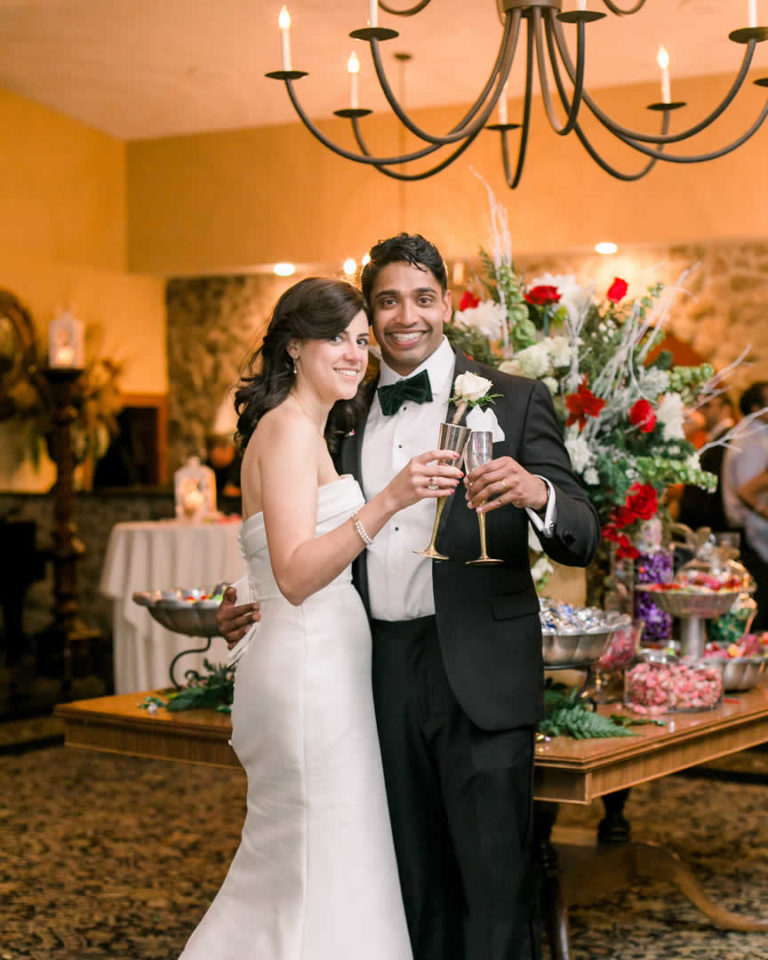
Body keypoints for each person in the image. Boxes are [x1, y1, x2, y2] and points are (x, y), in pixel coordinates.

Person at [218, 234, 601, 960]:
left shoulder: (516, 400)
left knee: (493, 890)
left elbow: (583, 530)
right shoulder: (339, 406)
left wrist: (536, 490)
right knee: (402, 885)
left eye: (422, 298)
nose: (404, 317)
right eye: (386, 301)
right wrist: (251, 594)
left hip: (481, 675)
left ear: (448, 305)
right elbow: (286, 522)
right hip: (373, 675)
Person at [179, 276, 463, 960]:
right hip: (305, 670)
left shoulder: (309, 430)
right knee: (304, 854)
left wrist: (237, 597)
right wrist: (387, 501)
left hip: (327, 668)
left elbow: (266, 556)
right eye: (336, 337)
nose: (353, 353)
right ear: (294, 346)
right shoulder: (283, 431)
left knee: (335, 850)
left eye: (360, 340)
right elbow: (295, 574)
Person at [722, 381, 768, 630]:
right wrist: (764, 512)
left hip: (753, 529)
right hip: (750, 531)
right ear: (756, 407)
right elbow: (746, 491)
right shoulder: (751, 438)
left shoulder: (756, 433)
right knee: (758, 601)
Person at [677, 393, 735, 532]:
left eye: (707, 406)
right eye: (701, 406)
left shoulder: (729, 439)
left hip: (712, 525)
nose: (701, 411)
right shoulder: (715, 438)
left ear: (725, 408)